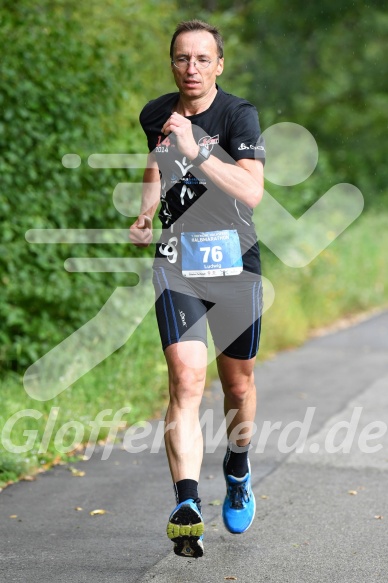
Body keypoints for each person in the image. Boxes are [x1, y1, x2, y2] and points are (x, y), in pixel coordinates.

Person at [129, 19, 265, 558]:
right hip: (177, 260)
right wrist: (145, 212)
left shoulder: (238, 115)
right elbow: (157, 164)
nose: (192, 69)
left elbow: (251, 192)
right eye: (183, 59)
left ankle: (237, 467)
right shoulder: (154, 115)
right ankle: (187, 502)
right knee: (186, 377)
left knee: (237, 388)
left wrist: (199, 148)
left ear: (219, 65)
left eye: (203, 59)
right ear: (172, 63)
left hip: (235, 263)